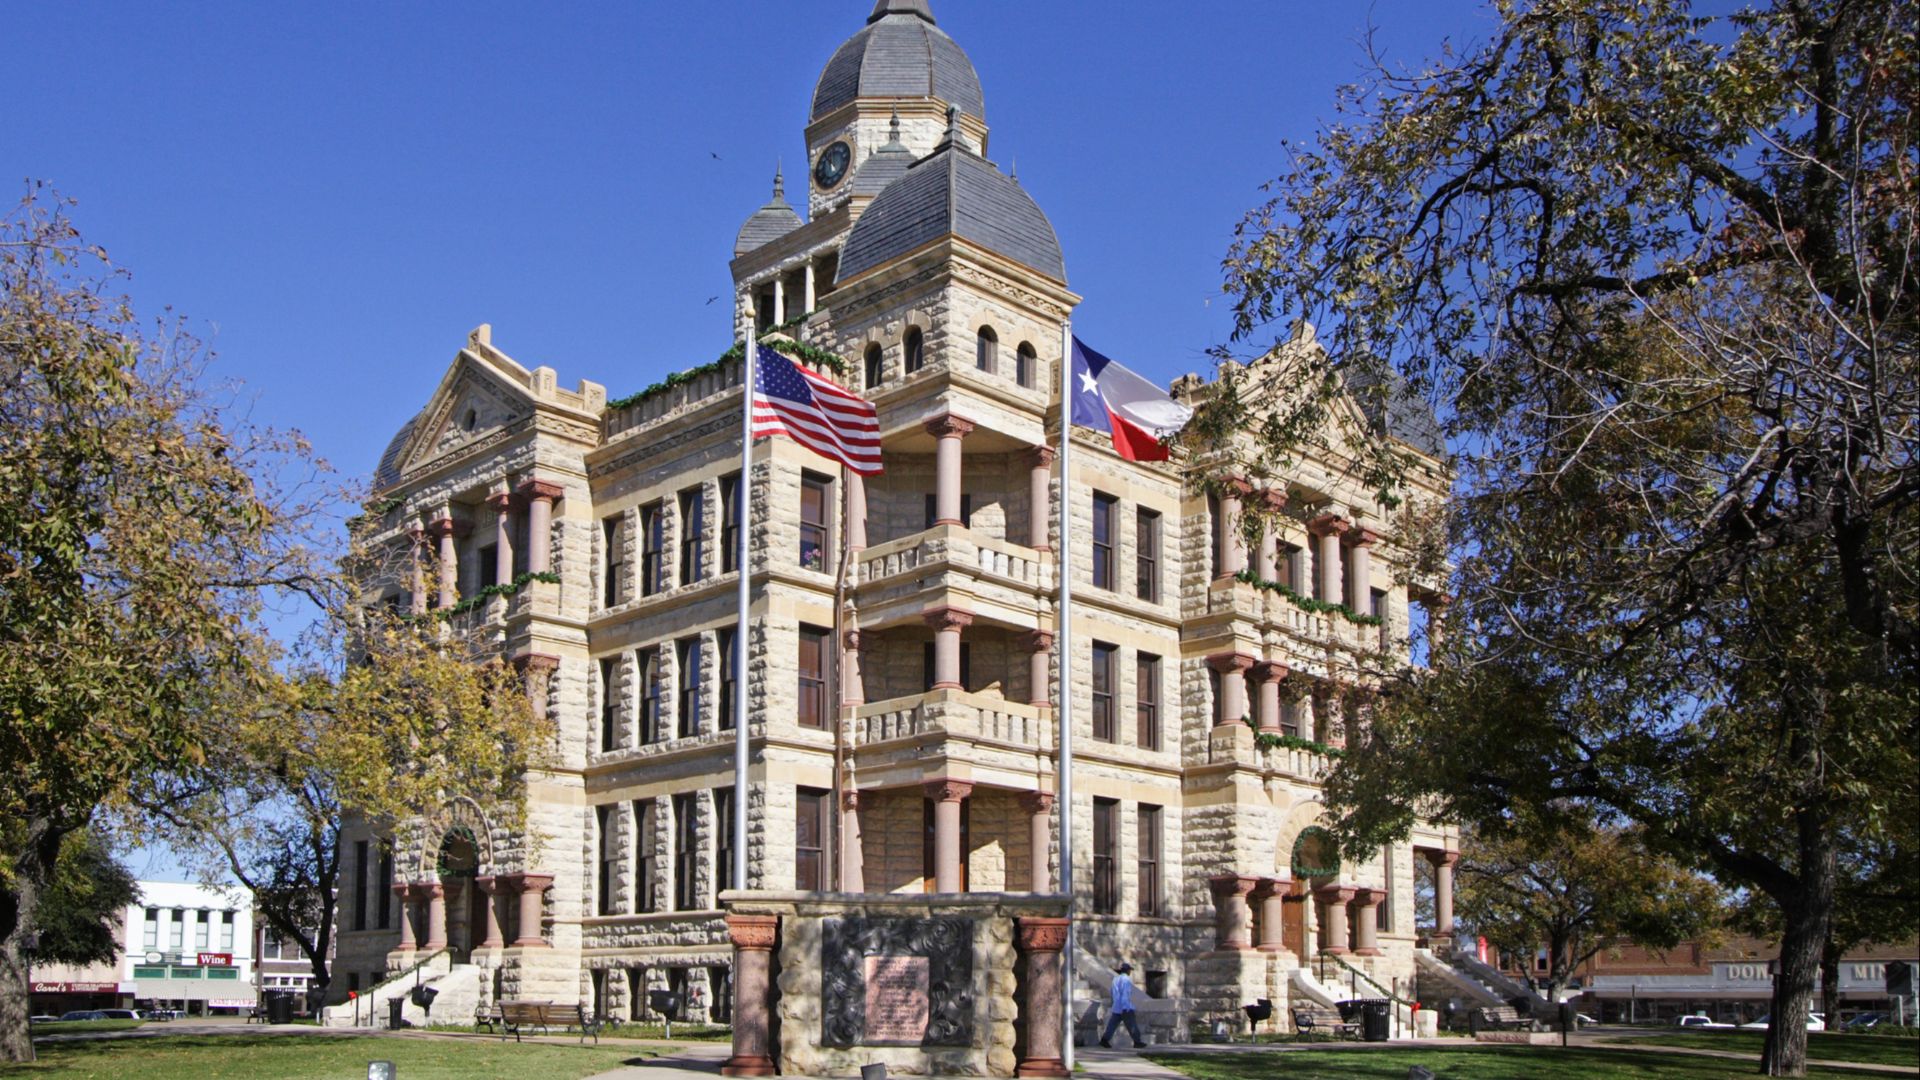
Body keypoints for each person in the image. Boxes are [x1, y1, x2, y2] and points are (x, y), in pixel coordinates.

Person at [1098, 961, 1144, 1049]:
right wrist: (1126, 1007)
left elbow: (1112, 992)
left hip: (1116, 1006)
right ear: (1127, 971)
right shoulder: (1126, 980)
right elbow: (1125, 994)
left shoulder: (1116, 979)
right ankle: (1137, 1042)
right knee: (1132, 1025)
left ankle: (1104, 1040)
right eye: (1130, 970)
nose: (1130, 972)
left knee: (1112, 1025)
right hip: (1125, 1007)